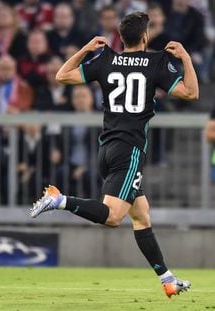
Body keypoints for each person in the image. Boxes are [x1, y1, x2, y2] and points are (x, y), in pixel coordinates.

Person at [30, 12, 199, 298]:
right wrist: (186, 58)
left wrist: (84, 50)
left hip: (107, 149)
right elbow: (191, 93)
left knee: (141, 216)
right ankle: (59, 199)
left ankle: (167, 279)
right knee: (111, 217)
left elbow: (62, 76)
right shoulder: (156, 61)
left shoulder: (106, 59)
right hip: (129, 151)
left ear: (121, 38)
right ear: (145, 37)